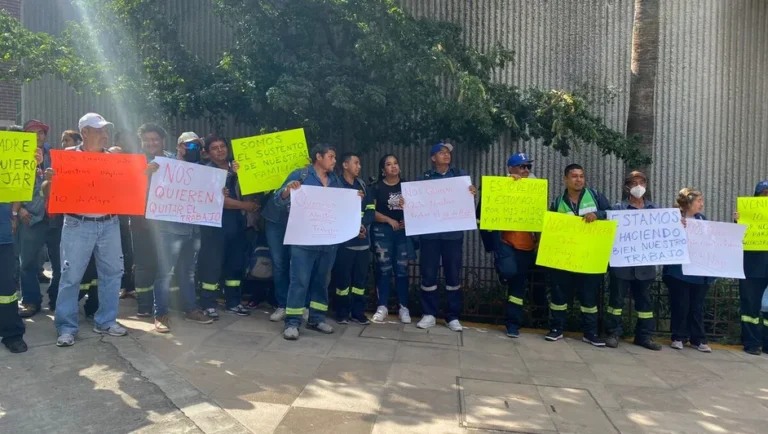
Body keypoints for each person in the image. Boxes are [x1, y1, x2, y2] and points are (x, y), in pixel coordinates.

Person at [44, 113, 128, 347]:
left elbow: (128, 187)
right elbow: (47, 193)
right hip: (77, 224)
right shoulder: (67, 158)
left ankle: (106, 320)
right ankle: (66, 327)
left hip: (110, 223)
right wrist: (49, 180)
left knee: (113, 273)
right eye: (99, 130)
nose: (104, 135)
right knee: (70, 277)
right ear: (85, 134)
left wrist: (142, 175)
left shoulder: (114, 159)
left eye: (105, 130)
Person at [143, 131, 214, 333]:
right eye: (191, 146)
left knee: (189, 272)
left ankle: (191, 309)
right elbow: (150, 190)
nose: (196, 150)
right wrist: (148, 173)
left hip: (193, 230)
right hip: (168, 230)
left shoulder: (202, 170)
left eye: (198, 147)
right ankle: (161, 314)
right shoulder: (164, 165)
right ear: (180, 146)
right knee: (165, 273)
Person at [275, 144, 344, 340]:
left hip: (327, 242)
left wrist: (355, 199)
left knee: (322, 281)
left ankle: (317, 318)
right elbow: (277, 200)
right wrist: (287, 190)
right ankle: (292, 323)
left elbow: (341, 205)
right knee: (299, 281)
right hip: (303, 241)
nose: (334, 161)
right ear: (318, 157)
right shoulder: (301, 175)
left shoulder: (335, 180)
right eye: (331, 156)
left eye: (335, 157)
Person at [414, 142, 477, 331]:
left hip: (452, 236)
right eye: (441, 153)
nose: (446, 155)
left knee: (453, 276)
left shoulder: (459, 177)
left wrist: (471, 193)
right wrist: (406, 200)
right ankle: (429, 314)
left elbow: (466, 202)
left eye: (448, 152)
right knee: (428, 275)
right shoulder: (423, 178)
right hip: (430, 236)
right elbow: (415, 202)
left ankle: (452, 316)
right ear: (433, 158)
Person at [547, 164, 612, 346]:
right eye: (574, 176)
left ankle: (590, 333)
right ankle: (556, 329)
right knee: (559, 297)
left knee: (588, 298)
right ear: (565, 179)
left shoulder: (596, 196)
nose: (578, 180)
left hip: (589, 258)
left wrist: (597, 214)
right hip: (564, 259)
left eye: (581, 176)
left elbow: (612, 214)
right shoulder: (557, 202)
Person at [199, 134, 258, 319]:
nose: (220, 150)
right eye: (214, 148)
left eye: (222, 146)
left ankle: (234, 302)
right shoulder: (207, 171)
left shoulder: (239, 167)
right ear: (207, 153)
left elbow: (252, 189)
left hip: (238, 225)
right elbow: (219, 201)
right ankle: (208, 304)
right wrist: (245, 206)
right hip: (215, 226)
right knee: (212, 266)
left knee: (235, 265)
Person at [605, 171, 661, 350]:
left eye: (642, 182)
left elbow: (665, 232)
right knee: (616, 302)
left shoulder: (655, 211)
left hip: (645, 266)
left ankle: (644, 336)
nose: (638, 186)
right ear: (627, 187)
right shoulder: (618, 210)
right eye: (634, 182)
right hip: (622, 265)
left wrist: (679, 224)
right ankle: (613, 333)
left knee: (644, 304)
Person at [132, 123, 175, 317]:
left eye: (155, 139)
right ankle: (144, 304)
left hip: (168, 223)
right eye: (147, 140)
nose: (151, 143)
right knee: (143, 263)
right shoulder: (134, 161)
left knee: (165, 264)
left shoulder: (173, 161)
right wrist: (144, 174)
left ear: (162, 141)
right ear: (141, 142)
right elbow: (125, 188)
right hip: (141, 222)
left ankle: (165, 304)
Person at [494, 153, 539, 338]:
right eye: (522, 166)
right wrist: (508, 185)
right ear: (510, 169)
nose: (526, 170)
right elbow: (487, 209)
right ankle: (502, 273)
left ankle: (513, 324)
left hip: (527, 245)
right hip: (506, 243)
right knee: (508, 271)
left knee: (518, 289)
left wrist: (539, 240)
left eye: (528, 166)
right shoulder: (501, 185)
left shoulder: (536, 188)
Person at [662, 188, 712, 353]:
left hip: (698, 272)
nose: (701, 204)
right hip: (678, 271)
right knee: (680, 305)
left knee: (696, 307)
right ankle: (678, 337)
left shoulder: (702, 219)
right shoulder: (673, 218)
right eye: (698, 201)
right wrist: (676, 227)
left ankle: (698, 339)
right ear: (688, 203)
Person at [16, 147, 62, 318]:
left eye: (41, 132)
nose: (38, 135)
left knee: (60, 264)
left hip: (56, 219)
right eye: (33, 132)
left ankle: (57, 299)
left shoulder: (57, 157)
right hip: (31, 218)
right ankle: (31, 300)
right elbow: (10, 188)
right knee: (27, 263)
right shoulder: (16, 164)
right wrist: (19, 209)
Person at [331, 152, 374, 324]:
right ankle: (341, 312)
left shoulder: (363, 186)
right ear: (345, 165)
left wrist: (362, 224)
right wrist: (352, 227)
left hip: (363, 243)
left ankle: (358, 312)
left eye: (359, 163)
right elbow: (333, 211)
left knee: (360, 281)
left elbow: (370, 209)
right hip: (344, 243)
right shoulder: (336, 186)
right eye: (356, 163)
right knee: (342, 280)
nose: (359, 166)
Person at [370, 154, 412, 324]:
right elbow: (370, 211)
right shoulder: (376, 187)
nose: (393, 166)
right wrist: (388, 220)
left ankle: (404, 307)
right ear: (383, 170)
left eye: (396, 163)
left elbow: (420, 208)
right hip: (382, 233)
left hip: (402, 233)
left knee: (402, 270)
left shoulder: (408, 187)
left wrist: (408, 212)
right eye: (389, 164)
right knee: (384, 269)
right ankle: (382, 307)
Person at [735, 180, 768, 356]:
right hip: (752, 267)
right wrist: (738, 221)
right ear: (756, 195)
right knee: (750, 307)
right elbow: (734, 239)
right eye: (765, 193)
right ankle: (751, 343)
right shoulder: (746, 214)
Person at [1, 202, 27, 353]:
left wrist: (15, 213)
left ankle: (12, 334)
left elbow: (17, 188)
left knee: (6, 290)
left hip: (2, 236)